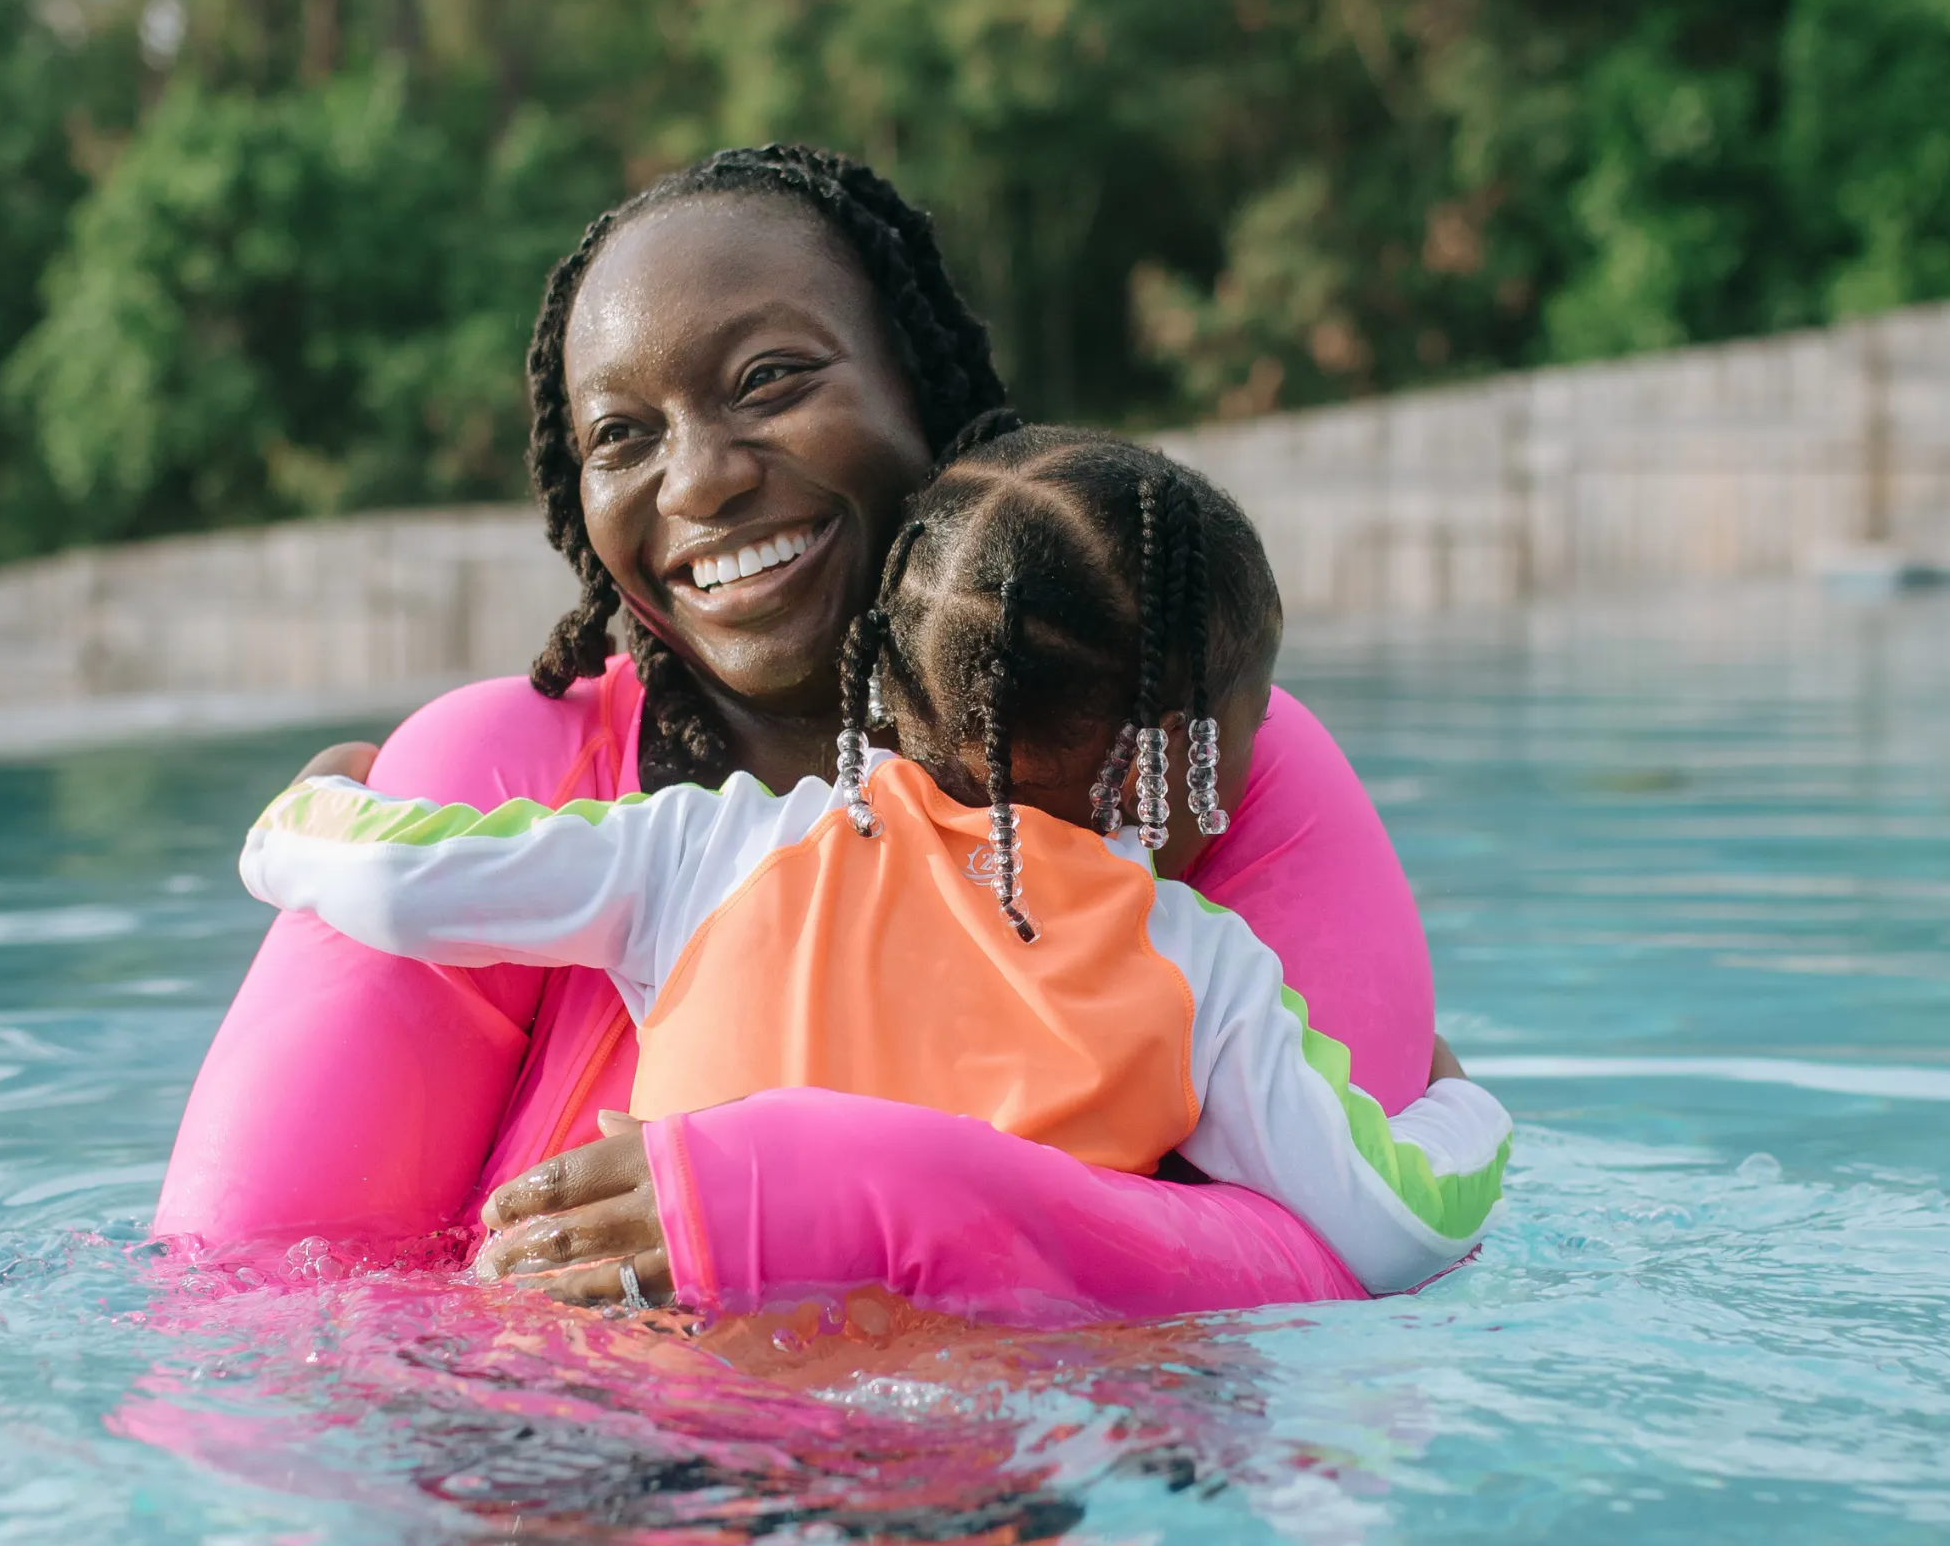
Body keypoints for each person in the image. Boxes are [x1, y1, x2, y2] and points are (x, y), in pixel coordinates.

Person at [155, 143, 1468, 1320]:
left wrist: (863, 1196)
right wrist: (1460, 1114)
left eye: (770, 380)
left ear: (924, 385)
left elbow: (1336, 1298)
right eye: (623, 434)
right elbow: (247, 1322)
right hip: (575, 1515)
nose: (705, 477)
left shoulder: (1204, 761)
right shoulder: (513, 772)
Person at [240, 427, 1511, 1297]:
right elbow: (1390, 1226)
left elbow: (406, 884)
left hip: (664, 1387)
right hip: (993, 1432)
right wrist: (1461, 1105)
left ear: (885, 688)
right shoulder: (1200, 972)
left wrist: (313, 813)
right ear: (1182, 763)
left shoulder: (714, 850)